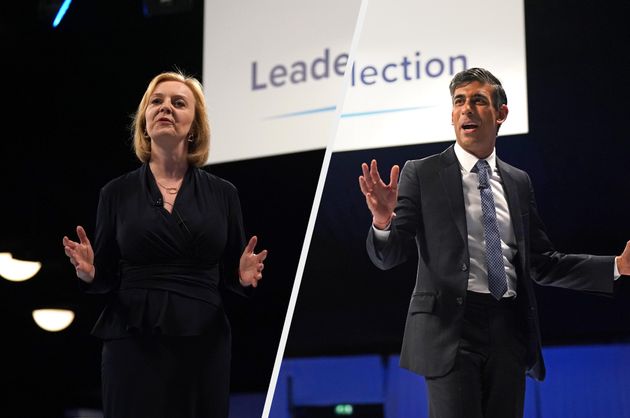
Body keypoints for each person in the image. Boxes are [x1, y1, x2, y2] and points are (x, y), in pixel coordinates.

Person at [358, 67, 630, 418]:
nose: (466, 109)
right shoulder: (421, 173)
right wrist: (382, 220)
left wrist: (617, 267)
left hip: (508, 327)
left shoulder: (518, 182)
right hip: (449, 328)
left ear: (501, 114)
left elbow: (543, 262)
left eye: (478, 101)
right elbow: (390, 254)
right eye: (459, 102)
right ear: (452, 115)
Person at [62, 70, 268, 418]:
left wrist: (243, 277)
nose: (165, 108)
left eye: (178, 103)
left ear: (195, 126)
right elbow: (106, 277)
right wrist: (89, 272)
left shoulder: (223, 194)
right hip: (132, 335)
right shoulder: (115, 193)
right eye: (156, 102)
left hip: (203, 335)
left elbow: (229, 275)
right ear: (144, 122)